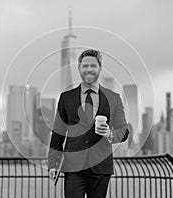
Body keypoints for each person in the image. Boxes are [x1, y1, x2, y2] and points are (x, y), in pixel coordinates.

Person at [48, 49, 130, 198]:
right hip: (73, 166)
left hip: (101, 166)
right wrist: (53, 164)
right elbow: (58, 132)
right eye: (85, 66)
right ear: (79, 68)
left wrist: (109, 134)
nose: (89, 69)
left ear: (100, 68)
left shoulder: (114, 98)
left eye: (93, 65)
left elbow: (124, 131)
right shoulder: (67, 98)